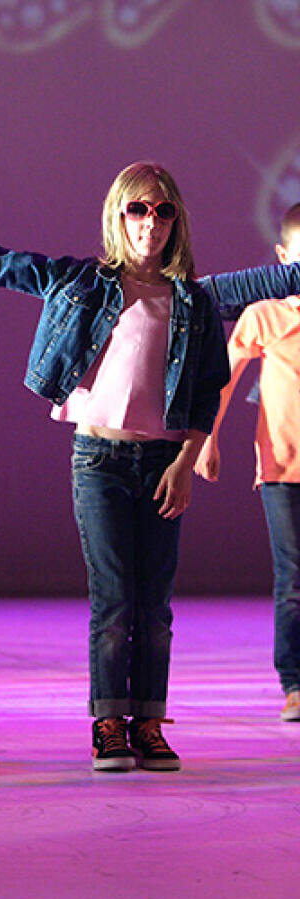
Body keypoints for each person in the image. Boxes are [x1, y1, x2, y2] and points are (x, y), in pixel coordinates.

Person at [0, 162, 300, 772]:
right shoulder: (86, 283)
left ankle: (149, 723)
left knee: (154, 604)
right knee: (114, 599)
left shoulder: (194, 299)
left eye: (163, 211)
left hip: (162, 462)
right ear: (118, 216)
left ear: (176, 221)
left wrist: (186, 460)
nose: (150, 223)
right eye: (138, 209)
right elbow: (7, 266)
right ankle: (108, 723)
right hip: (101, 460)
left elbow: (211, 385)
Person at [195, 202, 300, 722]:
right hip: (284, 468)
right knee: (293, 577)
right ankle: (296, 683)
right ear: (283, 258)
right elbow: (224, 377)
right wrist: (207, 439)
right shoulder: (267, 316)